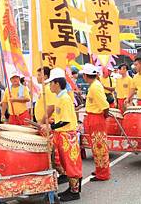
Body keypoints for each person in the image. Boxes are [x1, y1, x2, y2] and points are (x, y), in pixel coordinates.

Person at [45, 68, 82, 202]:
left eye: (50, 83)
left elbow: (65, 120)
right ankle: (72, 189)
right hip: (62, 135)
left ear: (56, 83)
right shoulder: (60, 97)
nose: (49, 86)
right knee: (67, 164)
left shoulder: (65, 98)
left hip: (67, 136)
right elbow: (62, 117)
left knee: (71, 164)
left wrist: (51, 126)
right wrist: (52, 123)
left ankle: (75, 192)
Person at [80, 63, 110, 181]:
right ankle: (100, 169)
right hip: (94, 118)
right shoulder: (94, 85)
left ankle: (103, 173)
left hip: (96, 118)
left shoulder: (95, 86)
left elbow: (104, 106)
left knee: (99, 147)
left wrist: (103, 117)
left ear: (85, 76)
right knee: (96, 147)